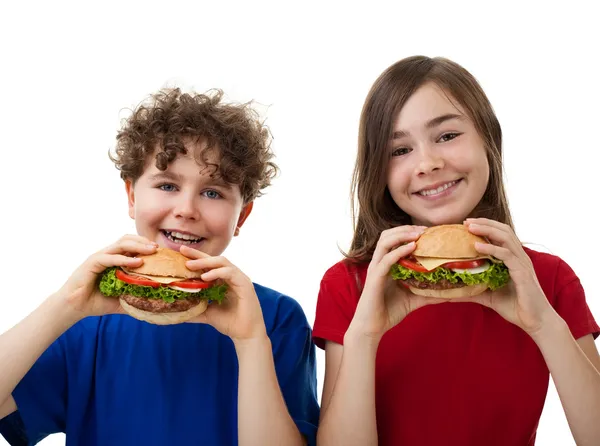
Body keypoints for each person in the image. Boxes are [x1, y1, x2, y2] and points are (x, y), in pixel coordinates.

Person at [0, 88, 319, 445]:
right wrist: (64, 305)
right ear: (132, 197)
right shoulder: (85, 321)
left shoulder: (276, 319)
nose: (186, 209)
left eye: (213, 192)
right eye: (167, 185)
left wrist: (250, 343)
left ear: (241, 215)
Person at [312, 56, 600, 446]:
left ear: (488, 138)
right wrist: (365, 335)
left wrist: (544, 325)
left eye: (446, 136)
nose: (428, 163)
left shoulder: (548, 278)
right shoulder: (349, 283)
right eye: (399, 150)